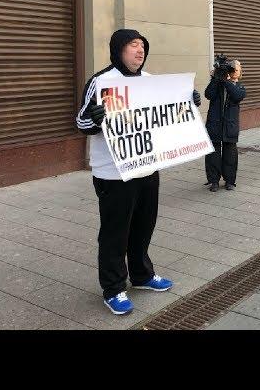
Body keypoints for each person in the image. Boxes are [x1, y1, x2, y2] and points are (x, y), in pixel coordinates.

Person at [75, 29, 200, 315]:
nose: (140, 51)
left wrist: (187, 104)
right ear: (118, 50)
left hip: (147, 167)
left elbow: (167, 116)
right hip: (114, 175)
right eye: (133, 46)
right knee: (115, 233)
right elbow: (80, 122)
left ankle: (142, 276)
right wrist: (95, 119)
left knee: (143, 226)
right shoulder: (102, 82)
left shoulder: (150, 82)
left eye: (143, 46)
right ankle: (113, 288)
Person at [204, 59, 246, 192]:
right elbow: (208, 94)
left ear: (240, 73)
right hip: (214, 124)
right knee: (213, 153)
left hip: (230, 126)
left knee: (230, 154)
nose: (234, 71)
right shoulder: (217, 83)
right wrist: (216, 79)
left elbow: (237, 96)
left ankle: (229, 181)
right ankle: (214, 181)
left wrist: (226, 81)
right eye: (232, 69)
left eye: (236, 70)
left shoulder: (239, 86)